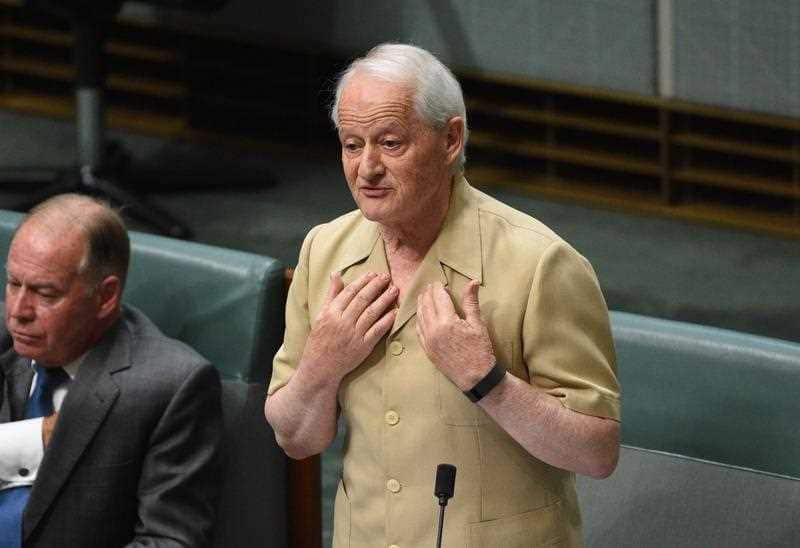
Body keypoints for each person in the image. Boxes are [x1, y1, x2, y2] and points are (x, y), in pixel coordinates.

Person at [265, 43, 621, 547]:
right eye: (351, 144)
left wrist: (487, 380)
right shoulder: (325, 249)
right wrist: (321, 365)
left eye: (390, 143)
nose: (366, 168)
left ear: (450, 139)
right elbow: (295, 438)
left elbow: (596, 453)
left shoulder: (541, 264)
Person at [0, 194, 221, 548]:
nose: (18, 311)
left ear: (105, 296)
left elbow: (169, 541)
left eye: (45, 293)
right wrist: (32, 440)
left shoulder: (170, 386)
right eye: (13, 284)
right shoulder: (4, 333)